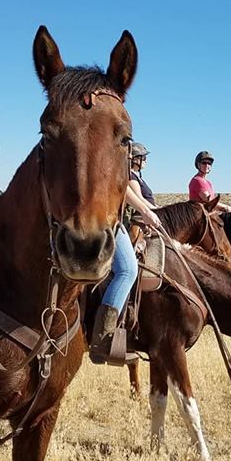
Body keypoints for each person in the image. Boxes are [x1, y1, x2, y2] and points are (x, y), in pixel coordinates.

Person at [89, 145, 161, 365]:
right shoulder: (112, 160)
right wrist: (147, 212)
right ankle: (102, 340)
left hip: (112, 219)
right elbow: (125, 190)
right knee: (128, 270)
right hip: (104, 219)